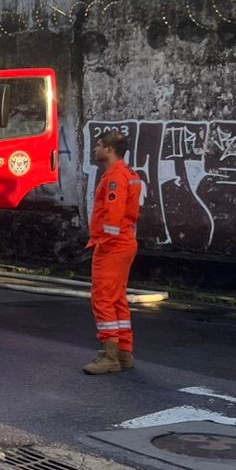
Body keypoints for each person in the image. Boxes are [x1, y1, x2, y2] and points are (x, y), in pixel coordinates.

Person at [84, 131, 143, 375]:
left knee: (103, 299)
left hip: (112, 246)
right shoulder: (129, 174)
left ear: (108, 149)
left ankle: (108, 356)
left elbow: (114, 215)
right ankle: (124, 352)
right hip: (125, 243)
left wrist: (104, 242)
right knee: (117, 299)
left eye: (98, 145)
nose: (95, 149)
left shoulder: (115, 177)